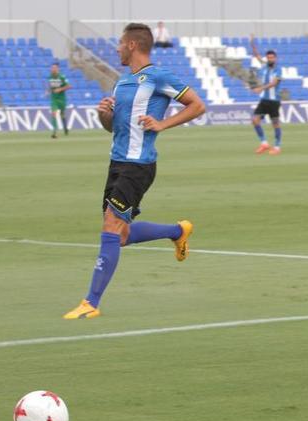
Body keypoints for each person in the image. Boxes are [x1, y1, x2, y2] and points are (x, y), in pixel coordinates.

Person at [63, 23, 206, 319]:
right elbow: (112, 128)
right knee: (122, 234)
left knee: (110, 226)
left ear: (131, 45)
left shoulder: (158, 77)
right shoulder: (122, 83)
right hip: (117, 163)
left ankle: (91, 302)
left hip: (138, 166)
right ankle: (178, 231)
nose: (116, 48)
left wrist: (162, 124)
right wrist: (105, 115)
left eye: (119, 43)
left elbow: (197, 105)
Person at [249, 39, 282, 155]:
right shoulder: (264, 66)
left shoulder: (278, 69)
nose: (270, 59)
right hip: (264, 100)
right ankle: (264, 143)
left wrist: (261, 88)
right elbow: (257, 57)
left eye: (272, 57)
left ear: (275, 58)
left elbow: (274, 83)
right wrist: (252, 44)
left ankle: (277, 147)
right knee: (255, 120)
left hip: (274, 101)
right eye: (268, 58)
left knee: (275, 123)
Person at [47, 62, 71, 139]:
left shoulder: (62, 77)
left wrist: (60, 89)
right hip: (54, 99)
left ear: (57, 69)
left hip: (61, 99)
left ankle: (65, 128)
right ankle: (54, 132)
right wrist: (48, 91)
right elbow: (51, 87)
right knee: (54, 113)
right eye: (52, 68)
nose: (53, 69)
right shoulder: (50, 77)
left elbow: (69, 86)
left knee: (62, 114)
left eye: (54, 68)